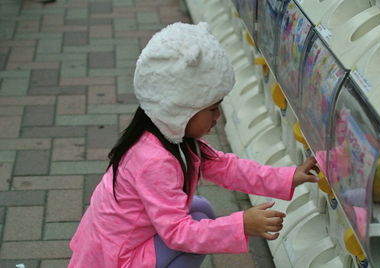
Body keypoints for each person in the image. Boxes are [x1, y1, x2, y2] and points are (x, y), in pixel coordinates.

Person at [68, 22, 319, 268]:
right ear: (180, 108)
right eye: (211, 108)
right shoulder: (153, 160)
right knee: (191, 239)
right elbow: (179, 234)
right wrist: (241, 224)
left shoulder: (168, 135)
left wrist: (289, 176)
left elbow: (226, 167)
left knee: (200, 209)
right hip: (116, 259)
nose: (217, 116)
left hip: (119, 243)